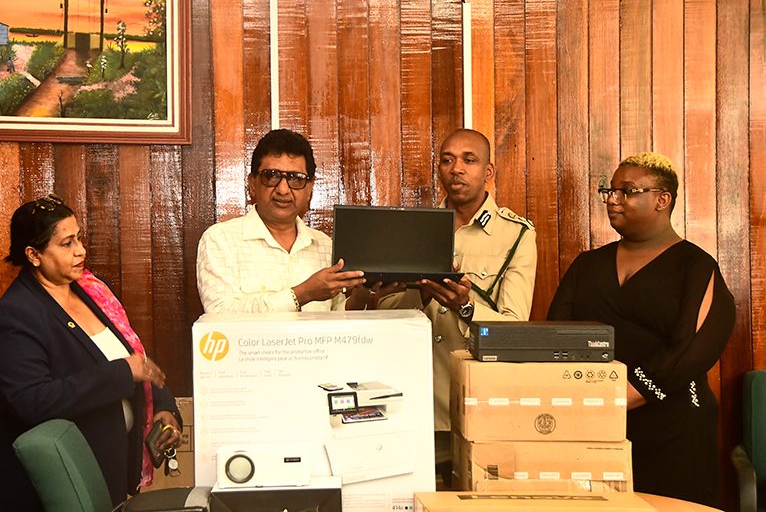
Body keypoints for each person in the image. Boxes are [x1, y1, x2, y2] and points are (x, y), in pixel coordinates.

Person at [0, 195, 183, 511]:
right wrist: (122, 373)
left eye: (79, 238)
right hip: (45, 492)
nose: (80, 250)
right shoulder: (16, 315)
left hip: (101, 476)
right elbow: (33, 402)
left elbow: (134, 355)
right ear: (33, 255)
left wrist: (165, 409)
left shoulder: (92, 290)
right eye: (66, 243)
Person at [547, 152, 735, 508]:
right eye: (610, 191)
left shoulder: (695, 267)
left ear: (662, 199)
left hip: (674, 429)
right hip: (591, 424)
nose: (613, 200)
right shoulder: (587, 265)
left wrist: (619, 398)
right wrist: (579, 402)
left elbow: (691, 349)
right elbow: (557, 336)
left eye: (627, 191)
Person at [378, 128, 537, 475]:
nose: (456, 169)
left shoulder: (516, 235)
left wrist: (465, 307)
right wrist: (420, 294)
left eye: (469, 160)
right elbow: (381, 315)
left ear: (488, 172)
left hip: (478, 404)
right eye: (447, 160)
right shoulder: (414, 230)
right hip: (414, 400)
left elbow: (516, 328)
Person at [196, 129, 366, 314]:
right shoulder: (220, 240)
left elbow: (334, 315)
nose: (283, 189)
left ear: (309, 188)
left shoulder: (324, 244)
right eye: (272, 176)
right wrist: (302, 294)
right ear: (252, 184)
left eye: (296, 179)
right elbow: (220, 314)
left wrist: (365, 296)